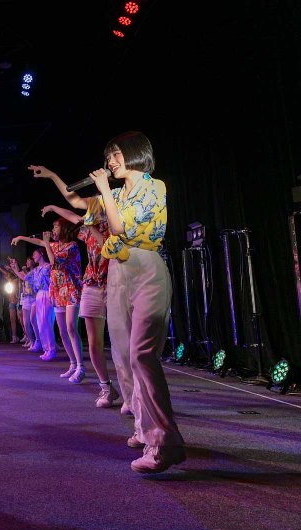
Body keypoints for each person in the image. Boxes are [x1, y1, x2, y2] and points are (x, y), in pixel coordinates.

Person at [77, 131, 185, 473]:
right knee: (122, 355)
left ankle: (165, 443)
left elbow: (119, 226)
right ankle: (143, 426)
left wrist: (104, 190)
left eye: (117, 154)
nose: (110, 161)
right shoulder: (117, 193)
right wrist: (52, 177)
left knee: (142, 355)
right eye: (109, 156)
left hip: (146, 267)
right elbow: (76, 202)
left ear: (136, 153)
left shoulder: (155, 187)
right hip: (118, 273)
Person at [39, 201, 121, 408]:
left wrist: (91, 224)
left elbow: (106, 246)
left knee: (119, 342)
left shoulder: (115, 228)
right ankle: (104, 386)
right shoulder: (86, 231)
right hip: (91, 283)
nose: (88, 212)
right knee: (92, 342)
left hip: (110, 283)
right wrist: (52, 207)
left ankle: (129, 393)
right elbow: (71, 213)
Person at [13, 218, 84, 383]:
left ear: (64, 229)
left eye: (56, 226)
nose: (53, 229)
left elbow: (54, 261)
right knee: (63, 331)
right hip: (58, 292)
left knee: (71, 328)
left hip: (71, 289)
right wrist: (21, 237)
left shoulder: (72, 246)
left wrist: (46, 243)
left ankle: (81, 366)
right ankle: (73, 364)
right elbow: (38, 241)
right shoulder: (54, 246)